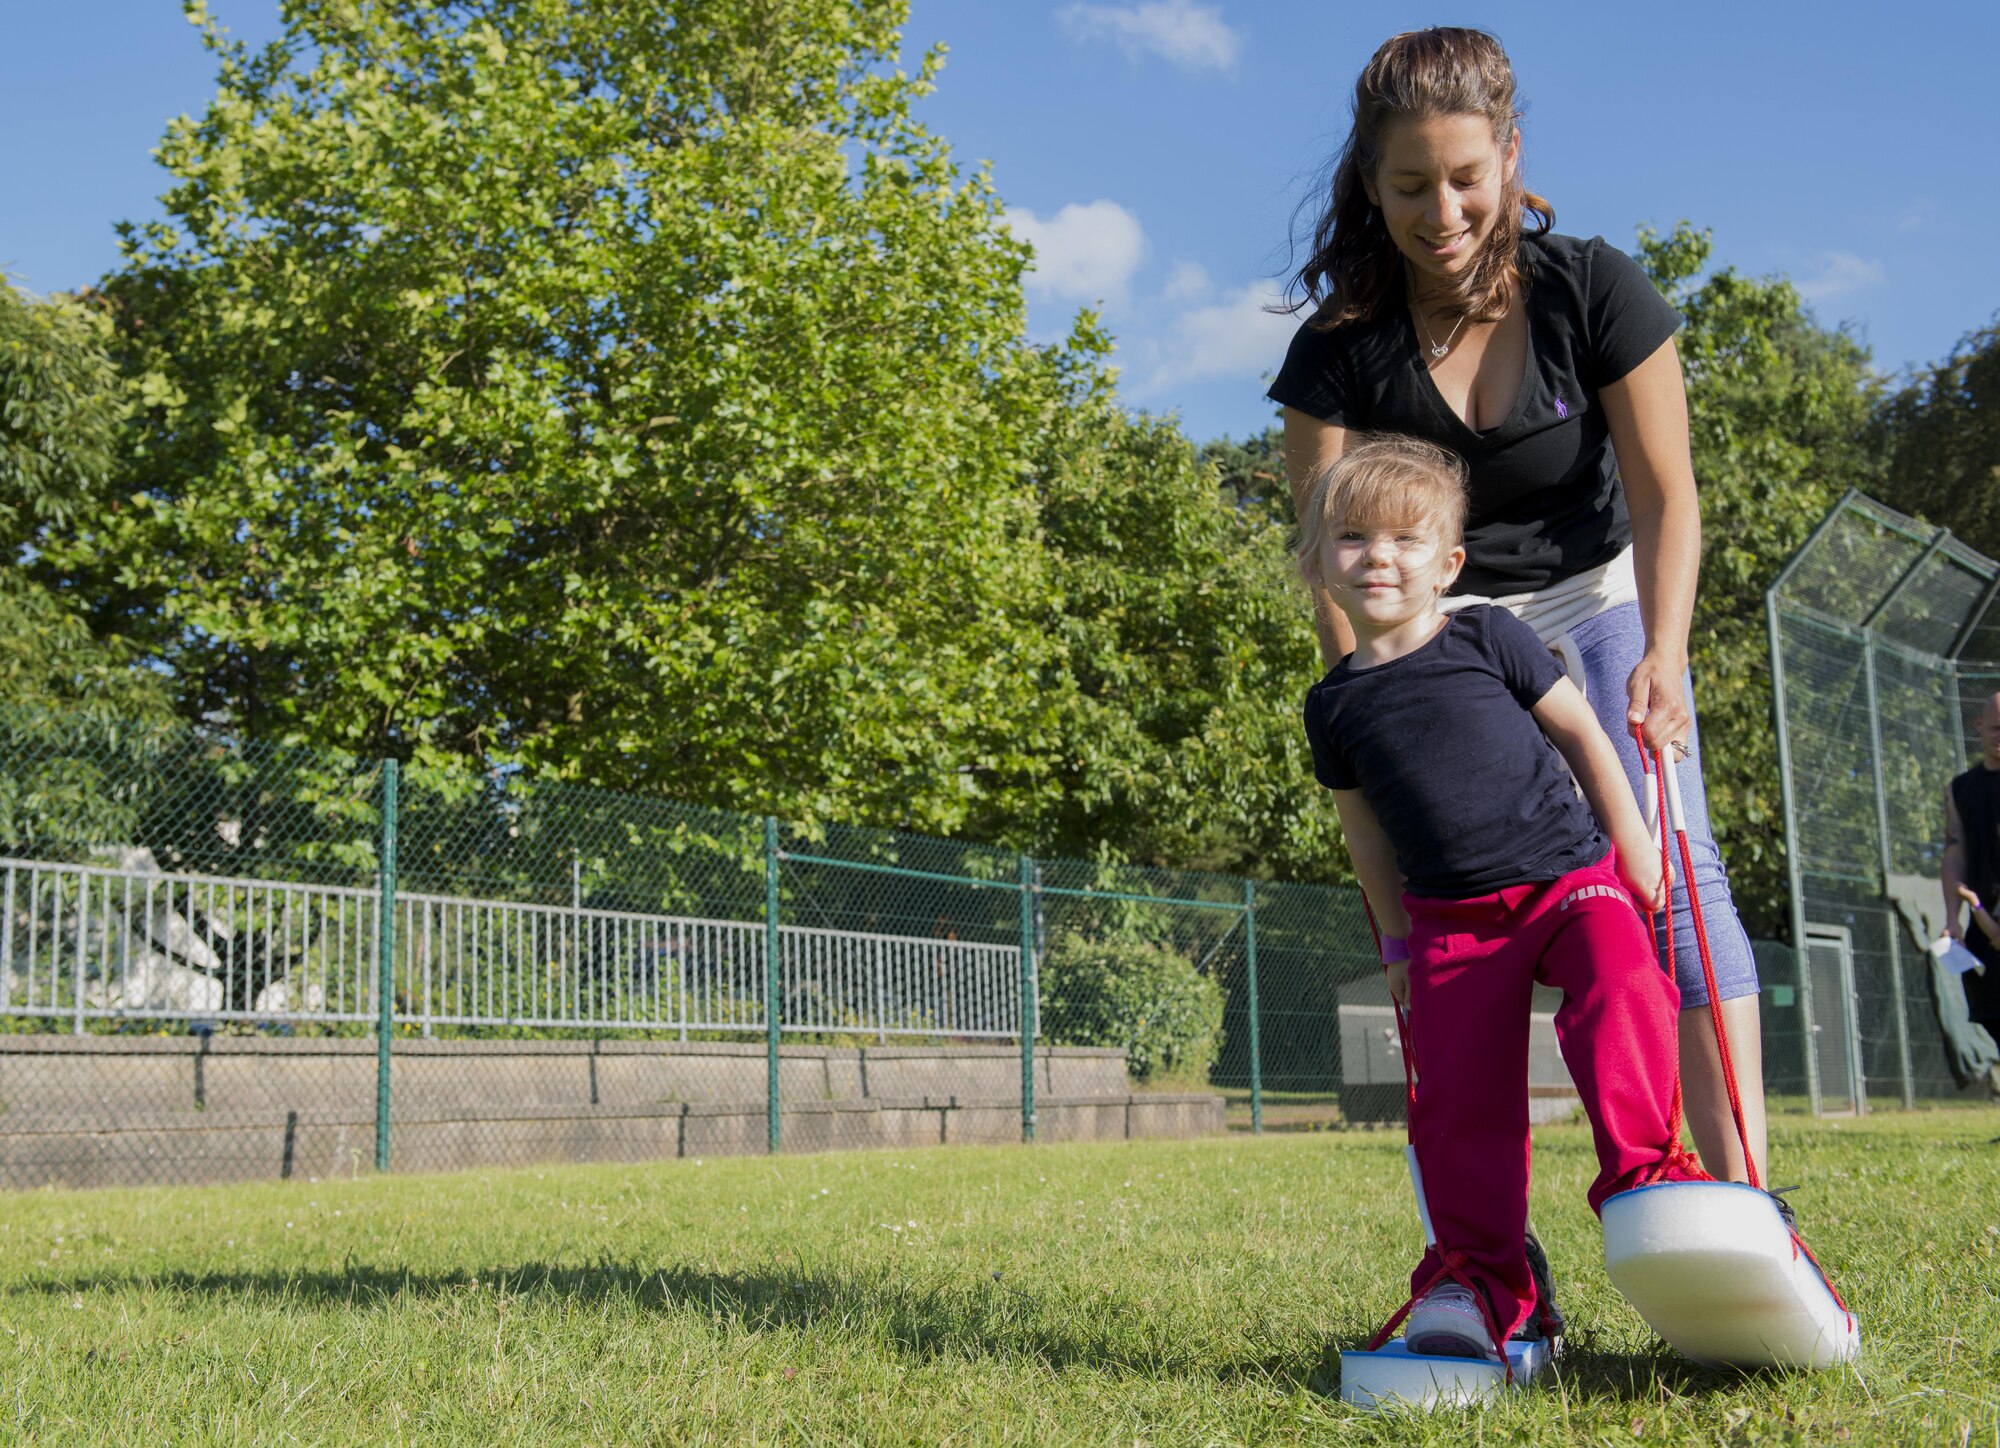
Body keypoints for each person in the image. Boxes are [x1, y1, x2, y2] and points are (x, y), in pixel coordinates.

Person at [1269, 26, 1768, 1184]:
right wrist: (1369, 712)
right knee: (1452, 934)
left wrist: (1664, 652)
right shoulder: (1334, 350)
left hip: (1600, 610)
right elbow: (1330, 568)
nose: (1438, 210)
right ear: (1367, 181)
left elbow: (1665, 493)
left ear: (1506, 156)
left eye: (1462, 177)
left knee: (1677, 897)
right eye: (1406, 185)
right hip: (1439, 651)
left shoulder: (1591, 287)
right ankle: (1483, 1252)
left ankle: (1743, 1202)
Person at [1301, 433, 1700, 1359]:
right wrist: (1398, 948)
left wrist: (1632, 844)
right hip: (1451, 924)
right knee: (1455, 1102)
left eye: (1406, 542)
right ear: (1320, 561)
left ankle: (1650, 1177)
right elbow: (1366, 837)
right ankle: (1482, 1280)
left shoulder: (1489, 635)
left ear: (1447, 565)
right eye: (1354, 538)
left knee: (1623, 986)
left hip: (1571, 880)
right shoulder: (1334, 706)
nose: (1380, 557)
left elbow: (1584, 737)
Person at [1940, 692, 2000, 1085]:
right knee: (1993, 1015)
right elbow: (1954, 851)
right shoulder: (1962, 788)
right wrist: (1953, 919)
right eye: (1996, 728)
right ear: (1978, 726)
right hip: (1982, 927)